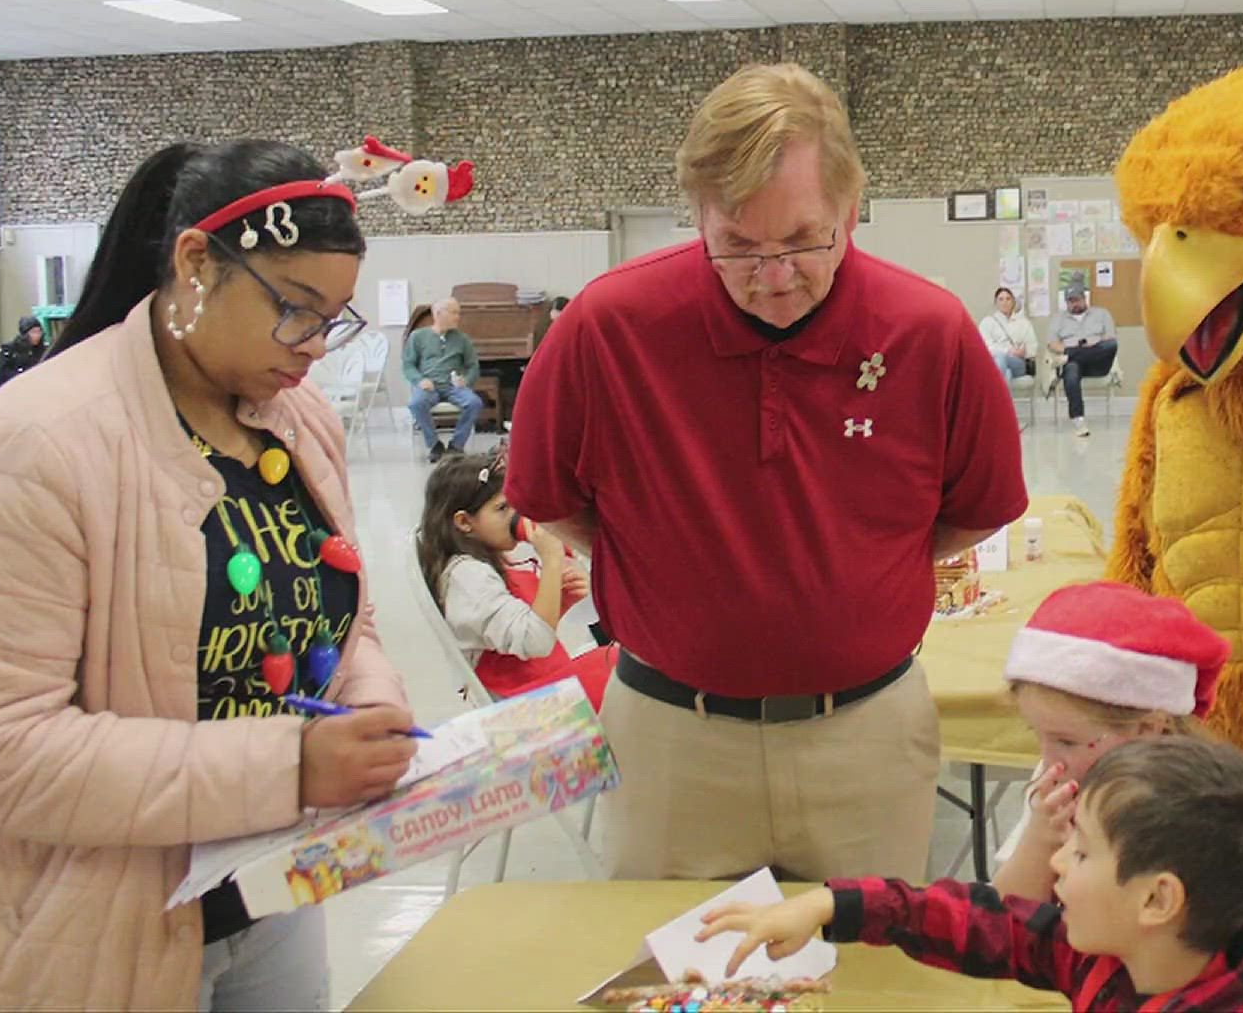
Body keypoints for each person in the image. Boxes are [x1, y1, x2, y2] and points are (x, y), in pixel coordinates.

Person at [506, 62, 1027, 884]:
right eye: (738, 247)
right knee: (669, 984)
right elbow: (550, 501)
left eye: (802, 241)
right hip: (673, 739)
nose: (774, 276)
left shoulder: (929, 330)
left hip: (866, 737)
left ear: (854, 210)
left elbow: (977, 506)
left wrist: (855, 575)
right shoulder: (608, 328)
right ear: (697, 219)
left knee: (873, 984)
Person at [0, 140, 416, 1010]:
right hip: (105, 925)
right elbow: (3, 754)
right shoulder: (37, 443)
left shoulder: (292, 419)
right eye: (295, 310)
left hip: (273, 891)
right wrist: (290, 764)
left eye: (334, 319)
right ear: (195, 263)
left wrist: (369, 701)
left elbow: (343, 614)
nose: (314, 349)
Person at [697, 733, 1243, 1012]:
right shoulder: (1119, 953)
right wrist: (828, 907)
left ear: (1157, 900)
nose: (1057, 863)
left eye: (1081, 853)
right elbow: (986, 926)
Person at [990, 582, 1243, 1012]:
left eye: (1066, 740)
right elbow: (1003, 920)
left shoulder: (1213, 814)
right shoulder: (1063, 783)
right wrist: (1039, 838)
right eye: (1040, 737)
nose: (1050, 760)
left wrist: (1157, 982)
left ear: (1149, 728)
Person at [417, 448, 614, 711]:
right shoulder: (468, 576)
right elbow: (536, 642)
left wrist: (560, 599)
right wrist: (552, 560)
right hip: (520, 708)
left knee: (617, 661)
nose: (516, 516)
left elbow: (516, 628)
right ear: (464, 522)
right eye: (502, 508)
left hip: (539, 684)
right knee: (621, 669)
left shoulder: (489, 560)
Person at [404, 295, 482, 461]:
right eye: (454, 313)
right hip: (429, 385)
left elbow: (473, 366)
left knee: (474, 403)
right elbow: (408, 366)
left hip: (454, 387)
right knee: (416, 404)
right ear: (438, 314)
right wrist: (420, 380)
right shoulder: (417, 337)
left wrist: (466, 380)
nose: (457, 317)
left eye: (458, 313)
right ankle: (434, 444)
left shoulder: (462, 339)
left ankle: (457, 445)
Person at [1047, 286, 1117, 437]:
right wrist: (1068, 349)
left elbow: (1110, 338)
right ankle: (1078, 420)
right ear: (1066, 303)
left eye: (1077, 300)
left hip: (1098, 360)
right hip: (1075, 364)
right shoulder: (1058, 319)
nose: (1075, 304)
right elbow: (1053, 344)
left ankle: (1071, 355)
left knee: (1111, 345)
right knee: (1070, 370)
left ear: (1084, 299)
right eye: (1071, 301)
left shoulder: (1102, 313)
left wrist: (1092, 344)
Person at [979, 286, 1036, 383]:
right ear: (996, 303)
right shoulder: (987, 322)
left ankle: (994, 395)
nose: (1004, 302)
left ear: (1013, 301)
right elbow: (985, 347)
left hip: (1018, 363)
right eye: (1001, 299)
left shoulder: (1024, 323)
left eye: (1008, 299)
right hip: (995, 362)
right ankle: (1002, 398)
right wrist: (1009, 350)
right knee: (1006, 372)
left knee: (1001, 358)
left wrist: (1024, 352)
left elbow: (1032, 345)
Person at [0, 314, 46, 388]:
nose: (37, 336)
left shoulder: (43, 350)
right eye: (33, 332)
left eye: (39, 332)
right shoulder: (9, 351)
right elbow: (4, 375)